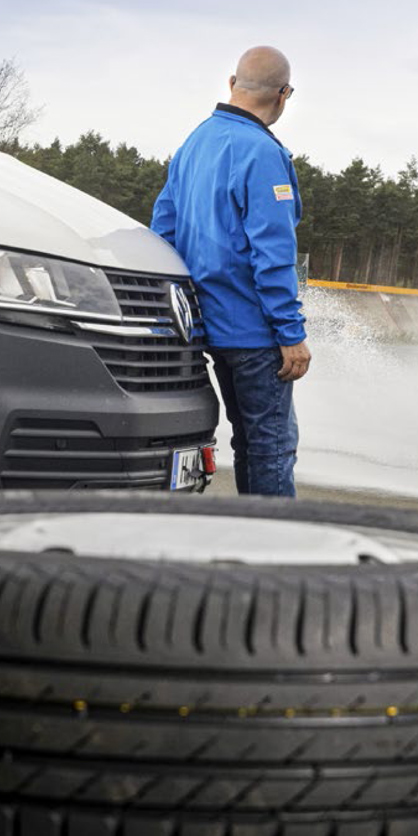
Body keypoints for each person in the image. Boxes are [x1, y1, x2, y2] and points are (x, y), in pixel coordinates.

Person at [151, 46, 310, 497]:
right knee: (272, 447)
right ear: (284, 94)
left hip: (207, 330)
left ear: (231, 83)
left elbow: (162, 232)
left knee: (247, 442)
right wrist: (290, 332)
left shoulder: (193, 144)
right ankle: (276, 556)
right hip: (255, 336)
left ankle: (252, 538)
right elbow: (272, 253)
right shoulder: (262, 153)